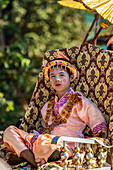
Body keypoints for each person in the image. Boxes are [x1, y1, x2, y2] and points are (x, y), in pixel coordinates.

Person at [3, 51, 107, 168]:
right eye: (53, 76)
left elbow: (99, 126)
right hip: (44, 142)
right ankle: (35, 161)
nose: (57, 79)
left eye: (61, 75)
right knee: (9, 131)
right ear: (50, 80)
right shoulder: (46, 106)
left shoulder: (81, 102)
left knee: (50, 147)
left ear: (71, 77)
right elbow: (46, 129)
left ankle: (27, 157)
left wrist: (93, 141)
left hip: (65, 146)